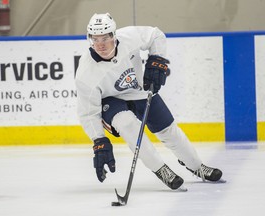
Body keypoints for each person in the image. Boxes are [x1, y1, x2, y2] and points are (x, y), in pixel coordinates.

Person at [75, 13, 223, 190]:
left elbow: (156, 35)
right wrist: (99, 141)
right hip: (111, 101)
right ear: (89, 39)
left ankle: (197, 167)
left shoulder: (128, 37)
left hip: (139, 91)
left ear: (114, 35)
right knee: (129, 125)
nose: (101, 44)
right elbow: (88, 113)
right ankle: (161, 170)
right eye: (95, 39)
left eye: (105, 37)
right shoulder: (86, 73)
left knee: (169, 131)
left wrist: (157, 59)